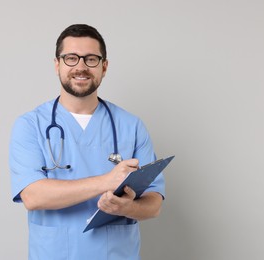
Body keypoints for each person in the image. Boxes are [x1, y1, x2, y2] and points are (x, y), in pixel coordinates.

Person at [9, 24, 165, 260]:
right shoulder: (30, 125)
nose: (80, 67)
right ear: (57, 65)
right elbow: (33, 196)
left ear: (104, 67)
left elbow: (154, 204)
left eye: (91, 59)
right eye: (71, 58)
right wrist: (107, 181)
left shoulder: (131, 126)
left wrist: (128, 208)